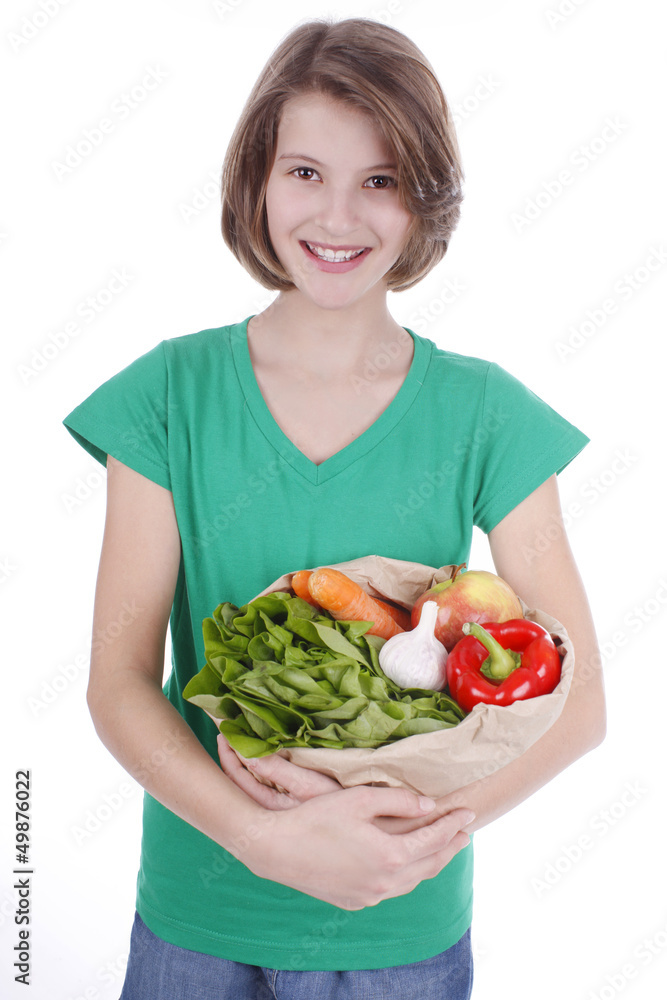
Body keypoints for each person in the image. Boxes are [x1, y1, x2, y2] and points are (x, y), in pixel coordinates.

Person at [62, 16, 606, 999]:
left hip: (398, 924)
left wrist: (407, 841)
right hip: (200, 909)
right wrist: (264, 840)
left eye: (381, 180)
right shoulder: (166, 396)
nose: (338, 217)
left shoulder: (484, 414)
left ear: (423, 198)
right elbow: (117, 679)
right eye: (304, 172)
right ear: (256, 182)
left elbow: (580, 705)